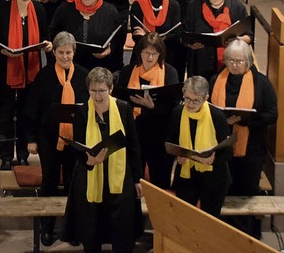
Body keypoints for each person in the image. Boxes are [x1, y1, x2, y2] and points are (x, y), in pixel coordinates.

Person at [64, 67, 142, 252]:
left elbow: (133, 145)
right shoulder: (83, 112)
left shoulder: (123, 108)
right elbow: (78, 148)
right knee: (91, 229)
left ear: (111, 89)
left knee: (122, 229)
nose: (98, 96)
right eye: (93, 91)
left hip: (120, 174)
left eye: (102, 91)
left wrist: (138, 179)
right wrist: (90, 161)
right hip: (91, 174)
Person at [25, 31, 89, 246]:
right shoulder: (44, 77)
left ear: (74, 52)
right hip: (49, 139)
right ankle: (47, 228)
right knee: (49, 182)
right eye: (60, 52)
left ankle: (72, 228)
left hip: (75, 140)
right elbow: (32, 110)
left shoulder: (83, 76)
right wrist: (31, 139)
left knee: (74, 183)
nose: (64, 57)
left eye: (68, 52)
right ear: (54, 54)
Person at [210, 40, 277, 236]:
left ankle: (247, 238)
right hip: (223, 150)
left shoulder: (261, 83)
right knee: (223, 193)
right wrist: (223, 119)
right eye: (230, 60)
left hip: (250, 151)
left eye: (239, 61)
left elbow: (272, 114)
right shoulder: (216, 80)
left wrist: (247, 121)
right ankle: (224, 237)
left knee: (245, 195)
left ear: (248, 62)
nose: (234, 65)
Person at [0, 0, 52, 170]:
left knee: (27, 113)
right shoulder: (3, 10)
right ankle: (6, 157)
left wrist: (48, 44)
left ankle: (23, 154)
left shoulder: (39, 9)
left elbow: (46, 33)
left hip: (31, 67)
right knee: (6, 115)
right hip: (7, 68)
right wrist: (3, 49)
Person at [114, 33, 179, 189]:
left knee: (160, 180)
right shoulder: (128, 71)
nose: (150, 58)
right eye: (146, 53)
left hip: (160, 134)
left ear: (160, 54)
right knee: (133, 180)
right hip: (135, 133)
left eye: (154, 53)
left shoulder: (169, 72)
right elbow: (119, 99)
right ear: (139, 52)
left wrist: (153, 107)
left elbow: (174, 107)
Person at [166, 76, 231, 217]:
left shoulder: (217, 116)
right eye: (187, 99)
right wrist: (177, 156)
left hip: (213, 175)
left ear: (206, 98)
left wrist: (213, 160)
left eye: (196, 100)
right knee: (185, 217)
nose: (190, 104)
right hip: (187, 174)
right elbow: (170, 140)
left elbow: (228, 150)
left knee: (210, 220)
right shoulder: (177, 113)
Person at [185, 0, 251, 80]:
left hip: (229, 65)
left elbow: (249, 36)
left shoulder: (237, 7)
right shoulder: (194, 5)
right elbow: (185, 33)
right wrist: (190, 44)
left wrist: (236, 41)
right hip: (200, 63)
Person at [51, 0, 123, 73]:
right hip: (69, 67)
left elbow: (118, 39)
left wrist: (110, 50)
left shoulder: (111, 12)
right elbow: (52, 33)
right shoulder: (65, 9)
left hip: (99, 68)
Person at [130, 0, 184, 79]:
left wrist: (147, 36)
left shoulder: (174, 5)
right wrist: (161, 38)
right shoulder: (137, 5)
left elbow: (176, 35)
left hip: (169, 56)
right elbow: (136, 37)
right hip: (143, 56)